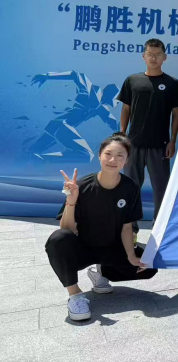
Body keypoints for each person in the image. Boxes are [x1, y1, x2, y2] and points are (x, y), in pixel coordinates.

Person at [45, 133, 157, 322]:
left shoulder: (130, 187)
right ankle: (75, 295)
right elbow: (67, 229)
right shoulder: (82, 186)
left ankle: (102, 273)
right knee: (58, 239)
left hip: (111, 248)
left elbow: (127, 226)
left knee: (150, 264)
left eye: (120, 156)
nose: (113, 160)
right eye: (108, 154)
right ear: (99, 156)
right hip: (83, 250)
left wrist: (131, 256)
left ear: (126, 160)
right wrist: (71, 201)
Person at [117, 38, 178, 234]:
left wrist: (172, 140)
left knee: (162, 188)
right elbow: (126, 109)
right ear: (143, 56)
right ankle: (130, 227)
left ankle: (160, 228)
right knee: (130, 187)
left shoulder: (172, 83)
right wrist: (122, 136)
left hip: (160, 145)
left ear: (165, 57)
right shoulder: (132, 80)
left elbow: (176, 114)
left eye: (157, 55)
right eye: (150, 54)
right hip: (134, 144)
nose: (153, 58)